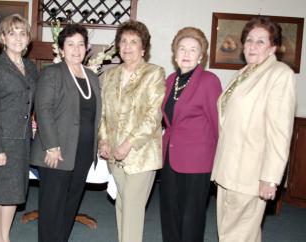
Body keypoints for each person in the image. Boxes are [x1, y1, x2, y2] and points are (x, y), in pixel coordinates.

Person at [211, 16, 296, 242]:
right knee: (235, 233)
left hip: (251, 173)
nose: (252, 46)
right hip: (228, 170)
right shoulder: (243, 73)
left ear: (273, 48)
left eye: (260, 41)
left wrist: (270, 177)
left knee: (236, 236)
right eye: (249, 40)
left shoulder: (279, 74)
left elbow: (280, 131)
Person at [30, 23, 101, 242]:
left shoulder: (92, 77)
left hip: (83, 152)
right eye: (70, 44)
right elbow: (43, 109)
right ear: (61, 49)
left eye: (81, 44)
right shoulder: (52, 73)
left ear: (87, 48)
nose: (76, 49)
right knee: (52, 207)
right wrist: (51, 145)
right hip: (57, 152)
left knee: (71, 204)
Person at [98, 20, 165, 242]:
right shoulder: (109, 76)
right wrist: (104, 140)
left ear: (143, 48)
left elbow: (152, 116)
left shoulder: (154, 73)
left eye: (133, 42)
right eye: (123, 42)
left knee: (133, 209)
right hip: (114, 154)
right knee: (122, 205)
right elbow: (104, 114)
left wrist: (128, 143)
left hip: (140, 154)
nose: (127, 46)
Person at [160, 27, 222, 242]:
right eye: (182, 49)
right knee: (169, 212)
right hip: (169, 157)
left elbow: (218, 124)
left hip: (197, 161)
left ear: (201, 56)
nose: (186, 54)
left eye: (193, 50)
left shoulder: (209, 81)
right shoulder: (170, 80)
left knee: (191, 217)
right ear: (175, 54)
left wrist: (220, 161)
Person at [0, 14, 38, 242]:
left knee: (14, 191)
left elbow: (31, 101)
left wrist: (32, 121)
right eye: (12, 33)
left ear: (28, 39)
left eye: (22, 33)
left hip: (22, 140)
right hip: (1, 140)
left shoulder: (31, 67)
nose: (17, 38)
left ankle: (5, 235)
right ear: (3, 38)